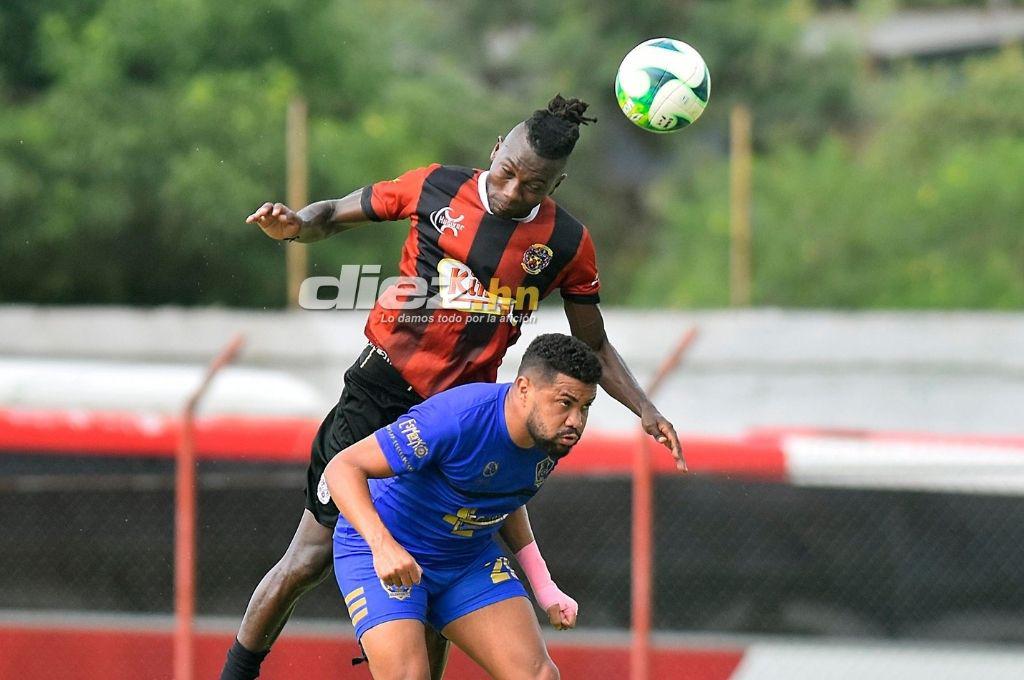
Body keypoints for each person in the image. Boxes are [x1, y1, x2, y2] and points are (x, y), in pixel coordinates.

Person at [220, 95, 684, 680]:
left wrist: (644, 407)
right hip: (380, 392)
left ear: (556, 183)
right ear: (496, 149)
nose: (514, 190)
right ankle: (236, 672)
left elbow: (591, 342)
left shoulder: (566, 244)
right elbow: (332, 215)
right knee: (309, 558)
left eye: (533, 185)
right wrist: (294, 227)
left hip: (459, 419)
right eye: (507, 170)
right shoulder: (436, 186)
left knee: (433, 560)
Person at [325, 333, 600, 679]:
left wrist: (544, 584)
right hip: (384, 552)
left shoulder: (548, 438)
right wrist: (383, 547)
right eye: (565, 402)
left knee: (539, 676)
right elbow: (342, 467)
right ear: (524, 388)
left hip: (464, 560)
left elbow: (504, 497)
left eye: (585, 407)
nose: (575, 421)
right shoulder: (455, 419)